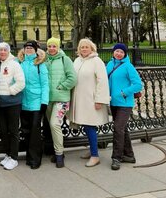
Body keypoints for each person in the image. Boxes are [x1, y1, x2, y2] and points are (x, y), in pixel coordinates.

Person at [69, 38, 110, 167]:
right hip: (79, 99)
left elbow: (102, 81)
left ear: (92, 48)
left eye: (87, 47)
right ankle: (92, 149)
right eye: (82, 47)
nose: (84, 49)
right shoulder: (77, 61)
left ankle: (95, 155)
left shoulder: (97, 61)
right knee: (85, 126)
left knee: (90, 126)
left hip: (91, 100)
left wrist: (99, 100)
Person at [106, 43, 143, 171]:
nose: (119, 54)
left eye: (121, 52)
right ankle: (129, 155)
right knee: (122, 129)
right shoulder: (109, 65)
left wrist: (124, 92)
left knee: (118, 128)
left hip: (125, 103)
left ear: (125, 54)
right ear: (113, 52)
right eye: (117, 51)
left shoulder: (128, 66)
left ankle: (116, 158)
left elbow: (138, 84)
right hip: (113, 103)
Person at [45, 37, 77, 168]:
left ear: (58, 47)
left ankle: (59, 154)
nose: (51, 48)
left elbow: (73, 78)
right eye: (49, 46)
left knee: (54, 124)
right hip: (48, 99)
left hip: (61, 98)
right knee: (51, 126)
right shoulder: (44, 59)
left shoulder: (65, 59)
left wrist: (62, 86)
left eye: (54, 46)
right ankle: (56, 151)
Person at [17, 40, 49, 169]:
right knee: (26, 130)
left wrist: (44, 102)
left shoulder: (40, 64)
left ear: (35, 50)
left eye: (31, 48)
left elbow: (45, 84)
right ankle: (29, 156)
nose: (29, 49)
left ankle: (35, 158)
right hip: (23, 101)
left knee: (35, 131)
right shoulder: (20, 63)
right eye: (27, 48)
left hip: (36, 101)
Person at [0, 42, 25, 170]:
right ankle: (8, 154)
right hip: (0, 102)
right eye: (0, 50)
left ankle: (14, 157)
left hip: (12, 102)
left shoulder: (14, 64)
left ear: (8, 51)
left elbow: (21, 82)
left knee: (13, 130)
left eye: (4, 50)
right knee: (3, 130)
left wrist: (10, 91)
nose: (2, 52)